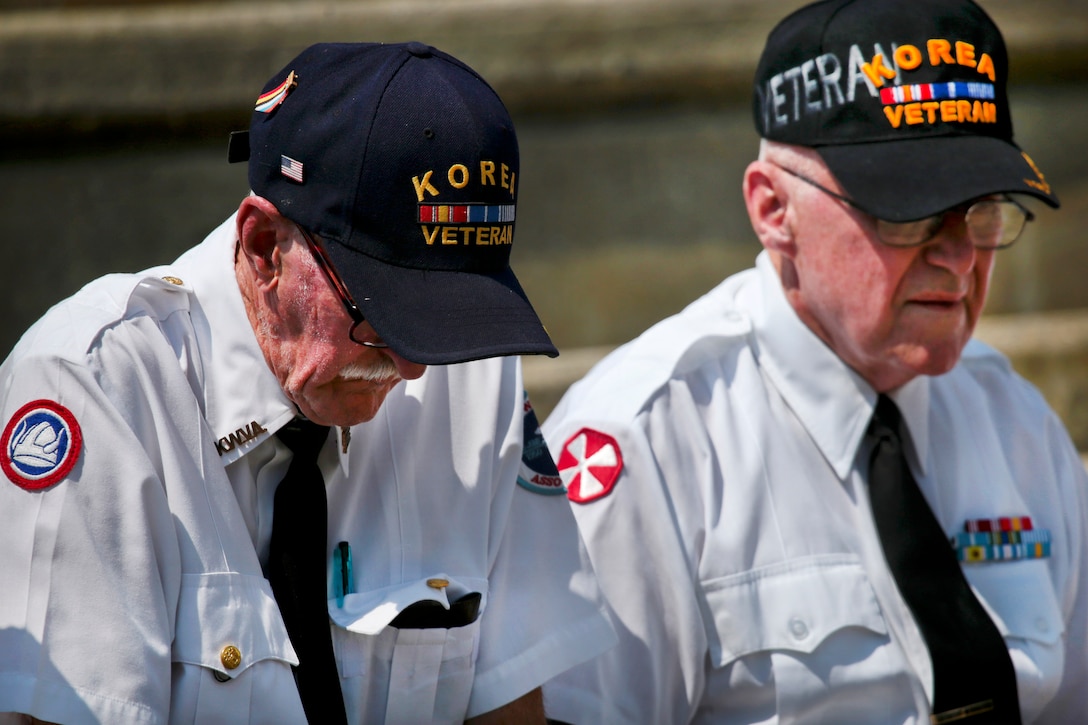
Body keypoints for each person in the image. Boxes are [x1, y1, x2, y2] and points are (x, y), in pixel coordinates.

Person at [0, 42, 614, 724]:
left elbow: (511, 706)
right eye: (382, 315)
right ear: (264, 248)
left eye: (445, 321)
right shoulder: (95, 387)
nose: (414, 368)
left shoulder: (465, 372)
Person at [540, 1, 1088, 723]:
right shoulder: (650, 442)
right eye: (910, 211)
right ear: (774, 210)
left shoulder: (1012, 419)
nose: (959, 256)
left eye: (983, 208)